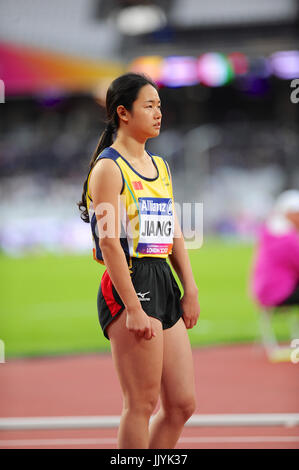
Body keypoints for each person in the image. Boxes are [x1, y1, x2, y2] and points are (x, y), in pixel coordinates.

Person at [77, 73, 200, 449]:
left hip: (162, 277)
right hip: (130, 280)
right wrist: (131, 306)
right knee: (141, 404)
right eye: (149, 105)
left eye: (159, 105)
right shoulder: (108, 168)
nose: (158, 113)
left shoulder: (160, 166)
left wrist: (189, 286)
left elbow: (173, 229)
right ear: (123, 113)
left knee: (181, 404)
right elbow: (110, 242)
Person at [251, 189, 299, 308]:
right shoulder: (287, 237)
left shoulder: (270, 232)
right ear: (290, 213)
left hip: (262, 291)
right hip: (280, 292)